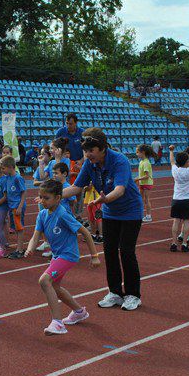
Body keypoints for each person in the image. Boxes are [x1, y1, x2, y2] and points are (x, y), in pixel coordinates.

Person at [64, 128, 144, 311]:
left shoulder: (119, 160)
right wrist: (53, 195)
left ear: (102, 148)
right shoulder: (89, 164)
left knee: (126, 251)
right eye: (85, 151)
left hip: (130, 211)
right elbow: (77, 187)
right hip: (110, 211)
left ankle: (133, 295)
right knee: (109, 251)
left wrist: (105, 199)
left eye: (91, 151)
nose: (87, 155)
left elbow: (120, 189)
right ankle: (115, 292)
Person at [25, 179, 100, 335]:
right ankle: (79, 312)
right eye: (41, 197)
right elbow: (35, 235)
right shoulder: (42, 215)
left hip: (69, 255)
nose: (43, 201)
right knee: (55, 287)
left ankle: (57, 322)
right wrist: (30, 248)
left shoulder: (63, 214)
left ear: (58, 198)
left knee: (44, 281)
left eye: (47, 198)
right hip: (58, 255)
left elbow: (85, 232)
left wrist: (94, 256)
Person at [1, 155, 27, 259]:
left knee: (19, 228)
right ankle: (18, 248)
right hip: (12, 206)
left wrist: (20, 206)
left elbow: (24, 192)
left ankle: (20, 250)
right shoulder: (7, 178)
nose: (2, 170)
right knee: (16, 228)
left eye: (3, 168)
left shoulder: (17, 178)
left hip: (17, 206)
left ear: (11, 167)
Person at [133, 144, 156, 222]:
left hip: (147, 183)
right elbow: (142, 175)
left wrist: (137, 179)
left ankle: (149, 216)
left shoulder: (146, 162)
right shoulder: (142, 162)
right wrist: (138, 178)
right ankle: (140, 214)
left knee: (146, 199)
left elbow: (147, 176)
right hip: (142, 183)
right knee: (140, 199)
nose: (136, 154)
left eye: (137, 152)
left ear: (143, 152)